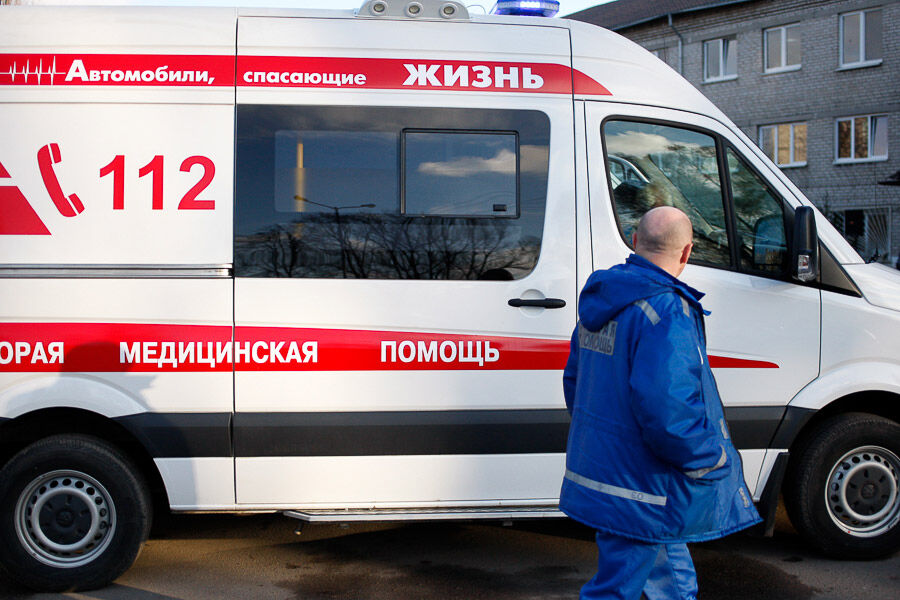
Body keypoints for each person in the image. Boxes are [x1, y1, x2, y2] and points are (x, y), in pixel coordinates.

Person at [560, 206, 761, 600]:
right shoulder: (667, 310)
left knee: (671, 577)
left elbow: (575, 384)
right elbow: (668, 411)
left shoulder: (603, 302)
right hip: (644, 485)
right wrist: (710, 458)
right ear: (686, 252)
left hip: (616, 473)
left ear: (635, 242)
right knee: (615, 589)